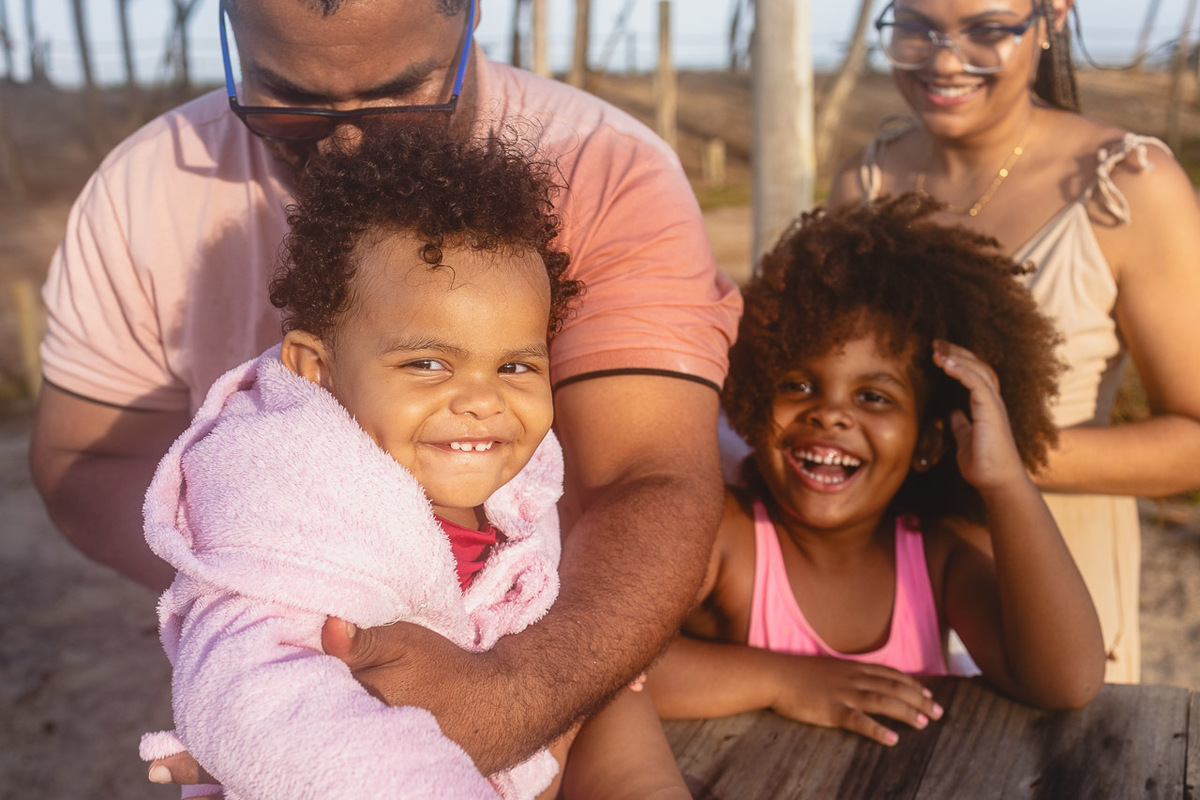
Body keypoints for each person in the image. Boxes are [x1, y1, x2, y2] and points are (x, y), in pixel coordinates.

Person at [29, 0, 740, 781]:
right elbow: (81, 457)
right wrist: (283, 587)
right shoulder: (144, 189)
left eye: (403, 92)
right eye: (286, 97)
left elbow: (654, 475)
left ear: (470, 16)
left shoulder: (608, 170)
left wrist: (518, 693)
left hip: (571, 653)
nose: (344, 143)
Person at [134, 125, 686, 800]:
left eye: (515, 364)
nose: (483, 400)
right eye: (428, 364)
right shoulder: (289, 534)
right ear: (316, 370)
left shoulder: (516, 503)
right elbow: (258, 707)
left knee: (622, 696)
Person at [828, 0, 1200, 683]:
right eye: (915, 27)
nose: (943, 60)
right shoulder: (863, 183)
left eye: (987, 29)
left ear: (1052, 16)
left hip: (1059, 605)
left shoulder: (1128, 188)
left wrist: (988, 457)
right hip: (887, 607)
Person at [647, 196, 1106, 746]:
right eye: (798, 385)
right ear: (751, 399)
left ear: (929, 439)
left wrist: (1006, 482)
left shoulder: (937, 552)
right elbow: (610, 668)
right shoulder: (725, 533)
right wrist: (783, 680)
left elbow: (1067, 681)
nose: (831, 413)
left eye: (873, 396)